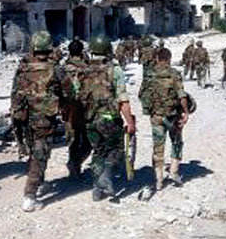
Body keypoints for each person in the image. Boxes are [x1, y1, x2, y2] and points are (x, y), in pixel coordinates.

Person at [10, 31, 63, 211]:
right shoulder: (55, 68)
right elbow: (68, 91)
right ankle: (30, 195)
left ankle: (39, 183)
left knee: (35, 152)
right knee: (41, 154)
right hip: (43, 119)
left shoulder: (23, 67)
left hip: (24, 118)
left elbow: (15, 92)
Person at [79, 35, 135, 201]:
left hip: (89, 119)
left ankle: (97, 188)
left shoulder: (83, 71)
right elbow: (122, 100)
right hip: (110, 119)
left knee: (98, 151)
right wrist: (130, 122)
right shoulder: (114, 71)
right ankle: (105, 178)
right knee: (116, 150)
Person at [142, 48, 189, 190]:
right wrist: (186, 112)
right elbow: (182, 95)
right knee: (177, 142)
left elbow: (141, 94)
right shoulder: (174, 74)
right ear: (169, 58)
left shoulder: (149, 74)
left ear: (157, 58)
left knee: (158, 147)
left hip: (156, 116)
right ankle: (174, 171)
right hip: (173, 116)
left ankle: (158, 180)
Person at [58, 38, 92, 178]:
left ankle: (74, 165)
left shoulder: (61, 69)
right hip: (85, 109)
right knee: (88, 141)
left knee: (72, 140)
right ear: (82, 51)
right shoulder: (88, 69)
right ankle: (76, 162)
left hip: (68, 109)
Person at [138, 36, 156, 115]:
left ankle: (145, 107)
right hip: (153, 70)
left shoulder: (143, 50)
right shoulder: (154, 50)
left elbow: (141, 60)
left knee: (145, 87)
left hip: (146, 71)